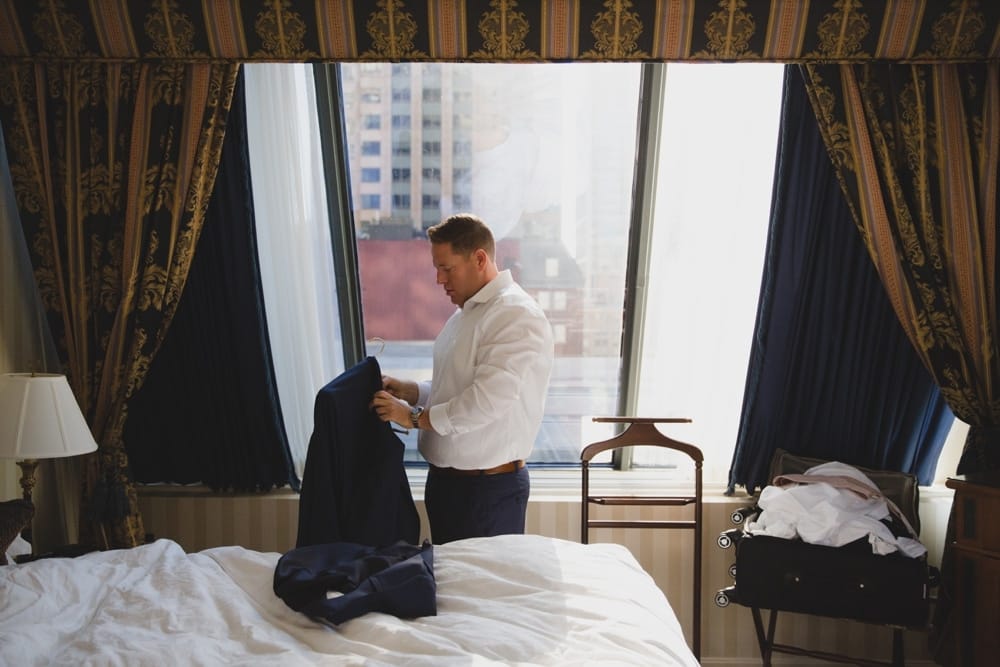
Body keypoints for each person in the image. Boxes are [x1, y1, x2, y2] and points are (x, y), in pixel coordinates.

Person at [370, 213, 554, 544]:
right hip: (450, 487)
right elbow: (456, 389)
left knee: (483, 593)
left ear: (479, 259)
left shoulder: (514, 314)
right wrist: (412, 392)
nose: (439, 280)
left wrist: (412, 418)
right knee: (453, 590)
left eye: (447, 268)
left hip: (485, 493)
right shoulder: (466, 314)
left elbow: (486, 401)